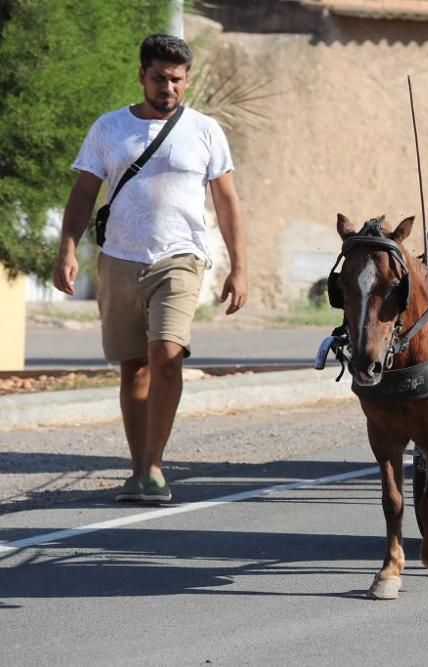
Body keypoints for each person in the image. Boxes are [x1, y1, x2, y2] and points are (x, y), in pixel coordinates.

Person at [53, 33, 248, 503]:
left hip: (180, 258)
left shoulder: (204, 130)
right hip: (119, 257)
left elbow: (227, 203)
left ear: (186, 80)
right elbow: (83, 194)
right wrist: (67, 249)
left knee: (165, 353)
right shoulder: (109, 128)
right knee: (133, 367)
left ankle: (155, 466)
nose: (168, 87)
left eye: (177, 80)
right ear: (142, 75)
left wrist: (240, 267)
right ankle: (138, 467)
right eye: (159, 78)